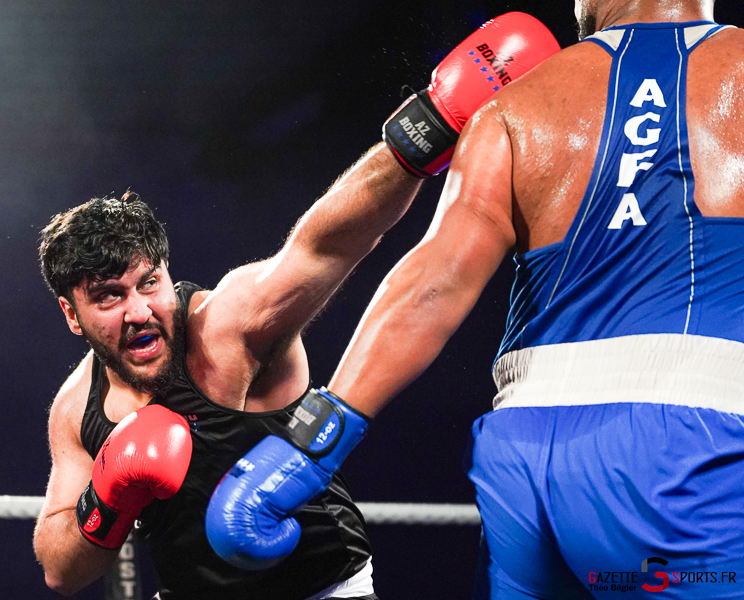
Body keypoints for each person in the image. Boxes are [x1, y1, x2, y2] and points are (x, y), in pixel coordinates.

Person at [206, 1, 744, 599]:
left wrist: (305, 448)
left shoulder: (516, 106)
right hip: (692, 445)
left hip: (526, 467)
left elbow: (434, 282)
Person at [32, 13, 560, 600]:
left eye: (148, 283)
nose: (138, 311)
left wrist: (432, 124)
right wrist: (108, 496)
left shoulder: (225, 326)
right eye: (109, 297)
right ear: (72, 315)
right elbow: (60, 570)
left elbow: (323, 244)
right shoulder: (76, 409)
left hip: (323, 591)